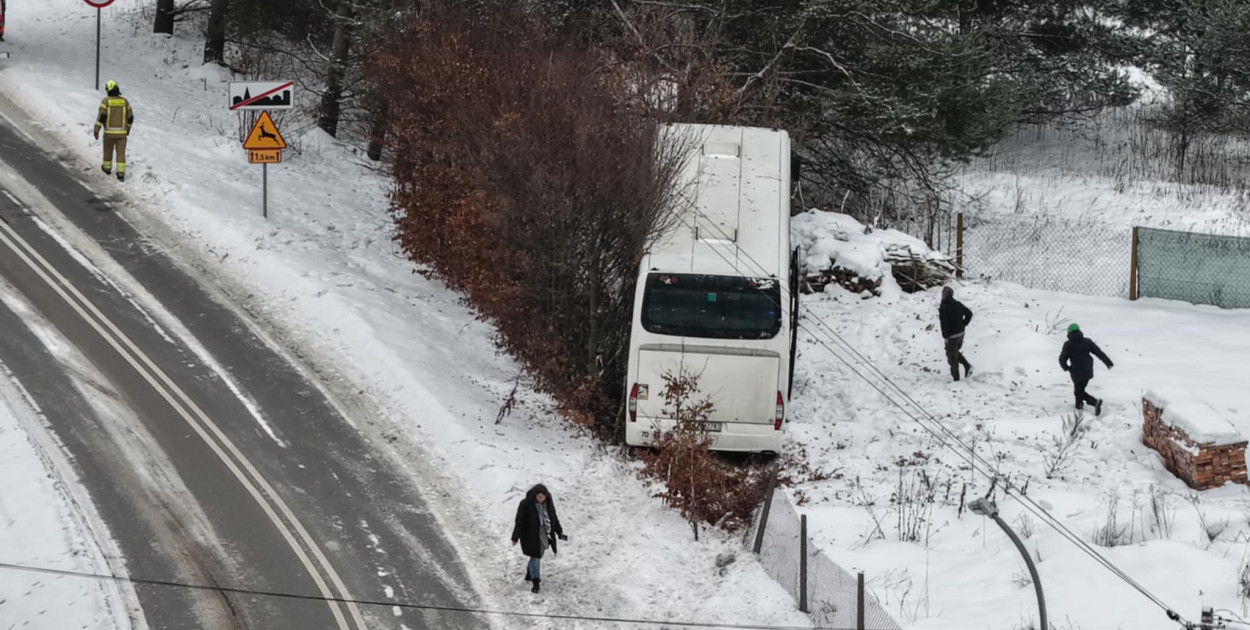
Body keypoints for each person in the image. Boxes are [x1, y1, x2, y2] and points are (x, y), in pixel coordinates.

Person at [511, 483, 566, 594]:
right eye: (539, 497)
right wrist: (515, 537)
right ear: (535, 496)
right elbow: (519, 521)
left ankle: (529, 573)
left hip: (544, 534)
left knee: (537, 555)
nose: (541, 499)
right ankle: (536, 581)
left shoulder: (548, 504)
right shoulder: (526, 504)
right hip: (530, 535)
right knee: (536, 556)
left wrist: (559, 532)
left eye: (543, 497)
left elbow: (553, 518)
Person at [1059, 323, 1113, 416]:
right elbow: (1098, 352)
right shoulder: (1087, 342)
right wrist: (1108, 362)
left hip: (1076, 371)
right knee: (1080, 388)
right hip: (1088, 370)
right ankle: (1079, 406)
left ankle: (1095, 402)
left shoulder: (1068, 344)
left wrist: (1066, 368)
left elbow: (1062, 359)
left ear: (1069, 333)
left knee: (1078, 391)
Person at [93, 80, 135, 181]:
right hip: (122, 133)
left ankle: (107, 168)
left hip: (109, 133)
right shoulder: (125, 102)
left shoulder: (105, 101)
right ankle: (120, 173)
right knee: (121, 152)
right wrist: (127, 129)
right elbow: (130, 118)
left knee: (108, 150)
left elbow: (101, 117)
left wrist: (96, 130)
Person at [938, 286, 973, 381]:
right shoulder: (958, 304)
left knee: (952, 358)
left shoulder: (943, 307)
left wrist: (945, 336)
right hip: (961, 333)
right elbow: (969, 313)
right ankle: (967, 366)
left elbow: (944, 324)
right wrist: (963, 324)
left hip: (952, 336)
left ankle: (956, 380)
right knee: (954, 352)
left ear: (943, 295)